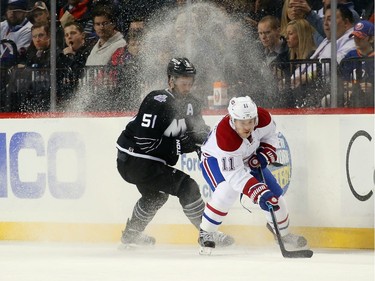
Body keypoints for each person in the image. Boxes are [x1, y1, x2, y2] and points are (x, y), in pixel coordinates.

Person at [116, 57, 234, 248]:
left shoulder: (192, 103)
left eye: (190, 81)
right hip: (134, 159)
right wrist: (180, 144)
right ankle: (207, 233)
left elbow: (197, 132)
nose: (187, 85)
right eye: (182, 81)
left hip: (150, 162)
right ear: (171, 80)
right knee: (187, 187)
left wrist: (208, 142)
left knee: (155, 196)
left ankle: (131, 235)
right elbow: (145, 142)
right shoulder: (157, 100)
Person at [197, 96, 308, 255]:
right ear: (232, 120)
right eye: (242, 123)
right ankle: (206, 232)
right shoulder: (226, 135)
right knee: (227, 190)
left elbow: (270, 137)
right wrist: (259, 192)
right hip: (215, 159)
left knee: (277, 198)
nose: (247, 127)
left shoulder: (263, 118)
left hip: (247, 157)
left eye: (250, 121)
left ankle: (282, 235)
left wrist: (265, 154)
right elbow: (235, 176)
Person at [339, 20, 374, 107]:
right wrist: (354, 88)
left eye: (360, 37)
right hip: (351, 97)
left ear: (372, 38)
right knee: (328, 100)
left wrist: (373, 88)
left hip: (371, 100)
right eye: (355, 36)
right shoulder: (349, 56)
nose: (356, 40)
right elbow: (342, 81)